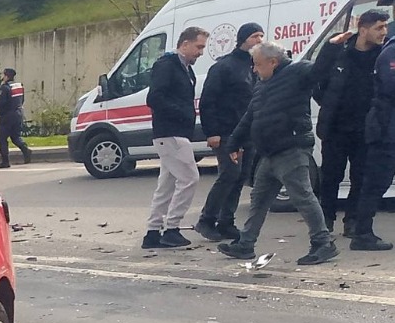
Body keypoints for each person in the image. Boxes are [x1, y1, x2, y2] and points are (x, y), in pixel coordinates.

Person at [218, 43, 337, 266]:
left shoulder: (297, 72)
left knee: (302, 197)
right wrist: (234, 143)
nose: (254, 70)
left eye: (257, 64)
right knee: (259, 199)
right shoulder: (263, 84)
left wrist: (331, 47)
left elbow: (319, 70)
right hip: (269, 152)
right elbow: (250, 116)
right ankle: (245, 244)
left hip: (291, 148)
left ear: (273, 62)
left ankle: (323, 243)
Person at [313, 10, 390, 238]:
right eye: (379, 27)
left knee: (361, 177)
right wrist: (331, 104)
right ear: (362, 29)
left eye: (385, 27)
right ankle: (325, 221)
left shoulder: (383, 55)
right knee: (331, 176)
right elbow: (317, 80)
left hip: (366, 128)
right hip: (336, 128)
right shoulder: (340, 53)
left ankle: (352, 221)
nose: (384, 32)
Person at [347, 10, 395, 252]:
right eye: (379, 27)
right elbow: (394, 84)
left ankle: (362, 232)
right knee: (376, 183)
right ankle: (362, 234)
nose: (383, 31)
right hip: (389, 129)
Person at [193, 22, 263, 242]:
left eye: (261, 36)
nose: (259, 40)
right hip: (226, 132)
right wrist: (212, 132)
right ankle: (206, 220)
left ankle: (226, 222)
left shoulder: (255, 66)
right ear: (243, 39)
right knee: (229, 174)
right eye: (254, 36)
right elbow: (208, 101)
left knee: (241, 177)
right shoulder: (224, 67)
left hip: (247, 132)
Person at [142, 26, 208, 249]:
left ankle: (153, 232)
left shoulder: (184, 69)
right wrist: (182, 114)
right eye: (198, 47)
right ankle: (171, 228)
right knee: (190, 178)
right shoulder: (167, 65)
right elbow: (154, 98)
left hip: (174, 132)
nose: (201, 52)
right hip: (170, 132)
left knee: (167, 184)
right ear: (185, 44)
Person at [0, 68, 32, 167]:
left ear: (6, 76)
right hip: (18, 113)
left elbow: (1, 103)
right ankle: (26, 150)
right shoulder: (19, 86)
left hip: (7, 116)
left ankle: (5, 161)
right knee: (15, 137)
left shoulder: (5, 88)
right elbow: (22, 100)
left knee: (2, 139)